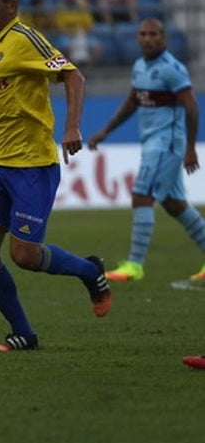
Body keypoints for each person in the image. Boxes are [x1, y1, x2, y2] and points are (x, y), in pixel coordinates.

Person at [0, 0, 112, 353]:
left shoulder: (25, 40)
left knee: (23, 256)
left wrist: (71, 127)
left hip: (31, 165)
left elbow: (73, 77)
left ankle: (89, 270)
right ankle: (23, 333)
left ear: (12, 6)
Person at [87, 19, 205, 285]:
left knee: (142, 196)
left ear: (164, 38)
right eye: (142, 34)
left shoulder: (172, 69)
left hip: (166, 144)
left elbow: (192, 108)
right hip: (152, 142)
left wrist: (190, 148)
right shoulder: (140, 66)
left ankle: (134, 266)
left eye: (153, 34)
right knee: (174, 204)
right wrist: (105, 131)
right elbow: (132, 102)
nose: (147, 38)